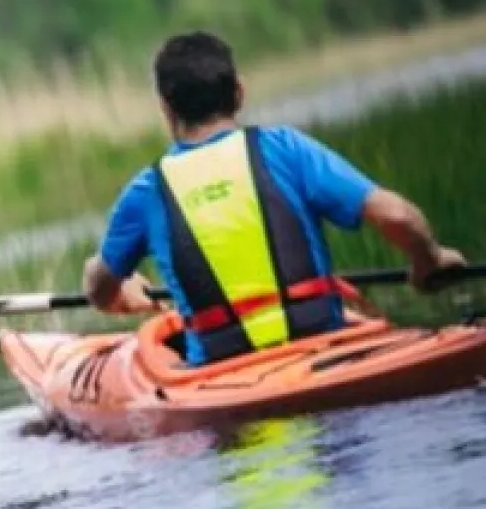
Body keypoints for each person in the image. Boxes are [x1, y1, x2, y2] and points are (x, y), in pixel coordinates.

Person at [82, 30, 466, 365]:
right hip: (325, 350)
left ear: (165, 108)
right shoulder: (285, 149)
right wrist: (427, 258)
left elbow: (99, 286)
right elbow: (397, 216)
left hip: (222, 375)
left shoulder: (147, 190)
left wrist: (122, 295)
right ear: (238, 92)